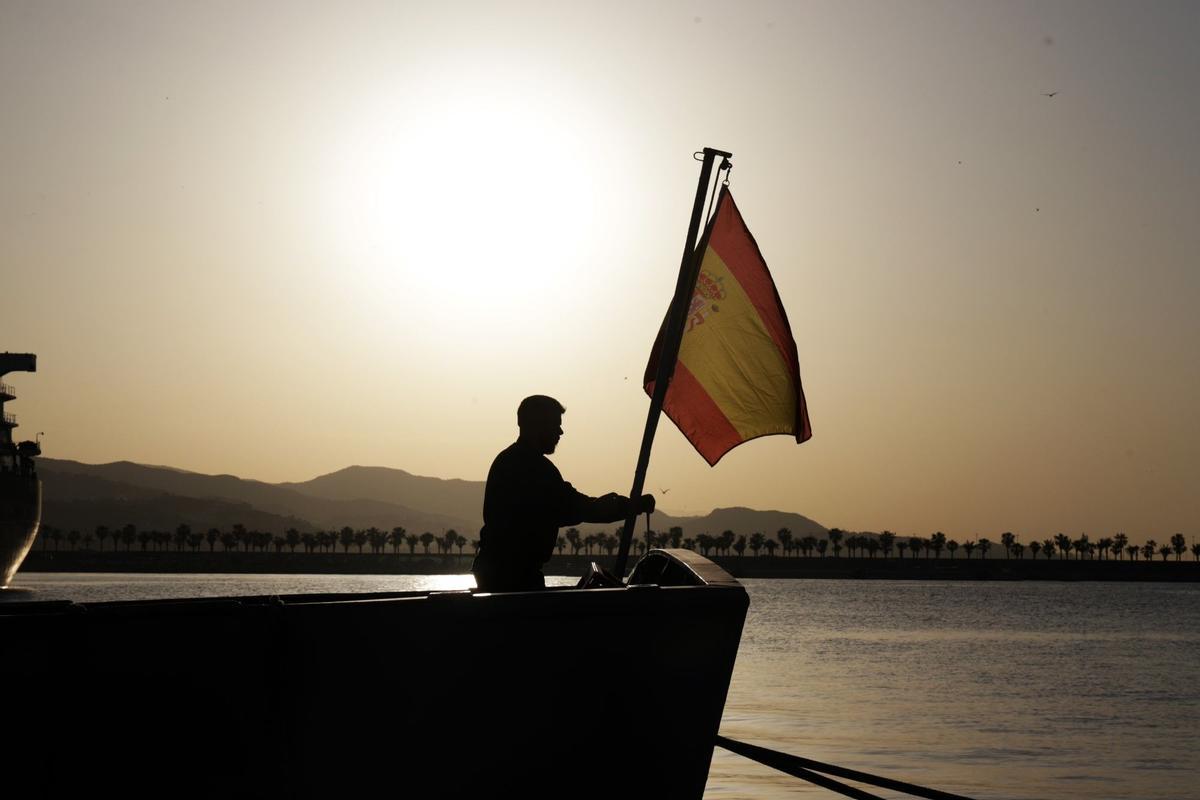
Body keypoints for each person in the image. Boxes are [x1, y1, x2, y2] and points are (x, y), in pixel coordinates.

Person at [471, 395, 654, 592]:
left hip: (500, 573)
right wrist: (629, 507)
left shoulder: (510, 461)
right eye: (555, 425)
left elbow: (573, 506)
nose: (560, 432)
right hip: (512, 578)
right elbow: (579, 508)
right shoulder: (533, 468)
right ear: (537, 424)